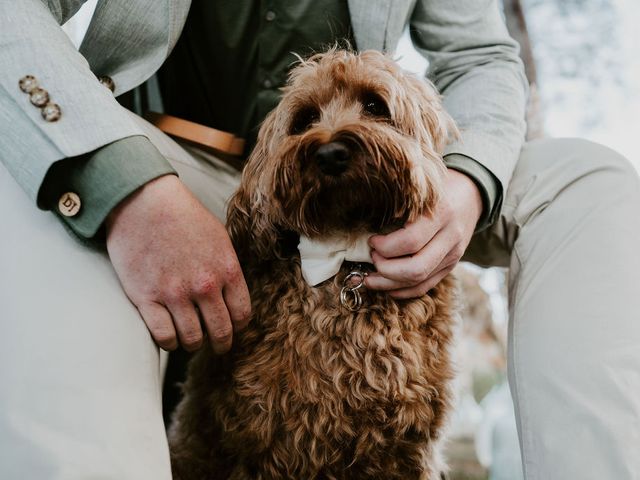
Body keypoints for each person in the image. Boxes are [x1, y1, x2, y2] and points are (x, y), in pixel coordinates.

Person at [0, 1, 638, 479]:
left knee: (586, 178)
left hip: (405, 182)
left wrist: (464, 184)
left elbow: (481, 59)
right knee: (33, 176)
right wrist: (126, 187)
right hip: (174, 165)